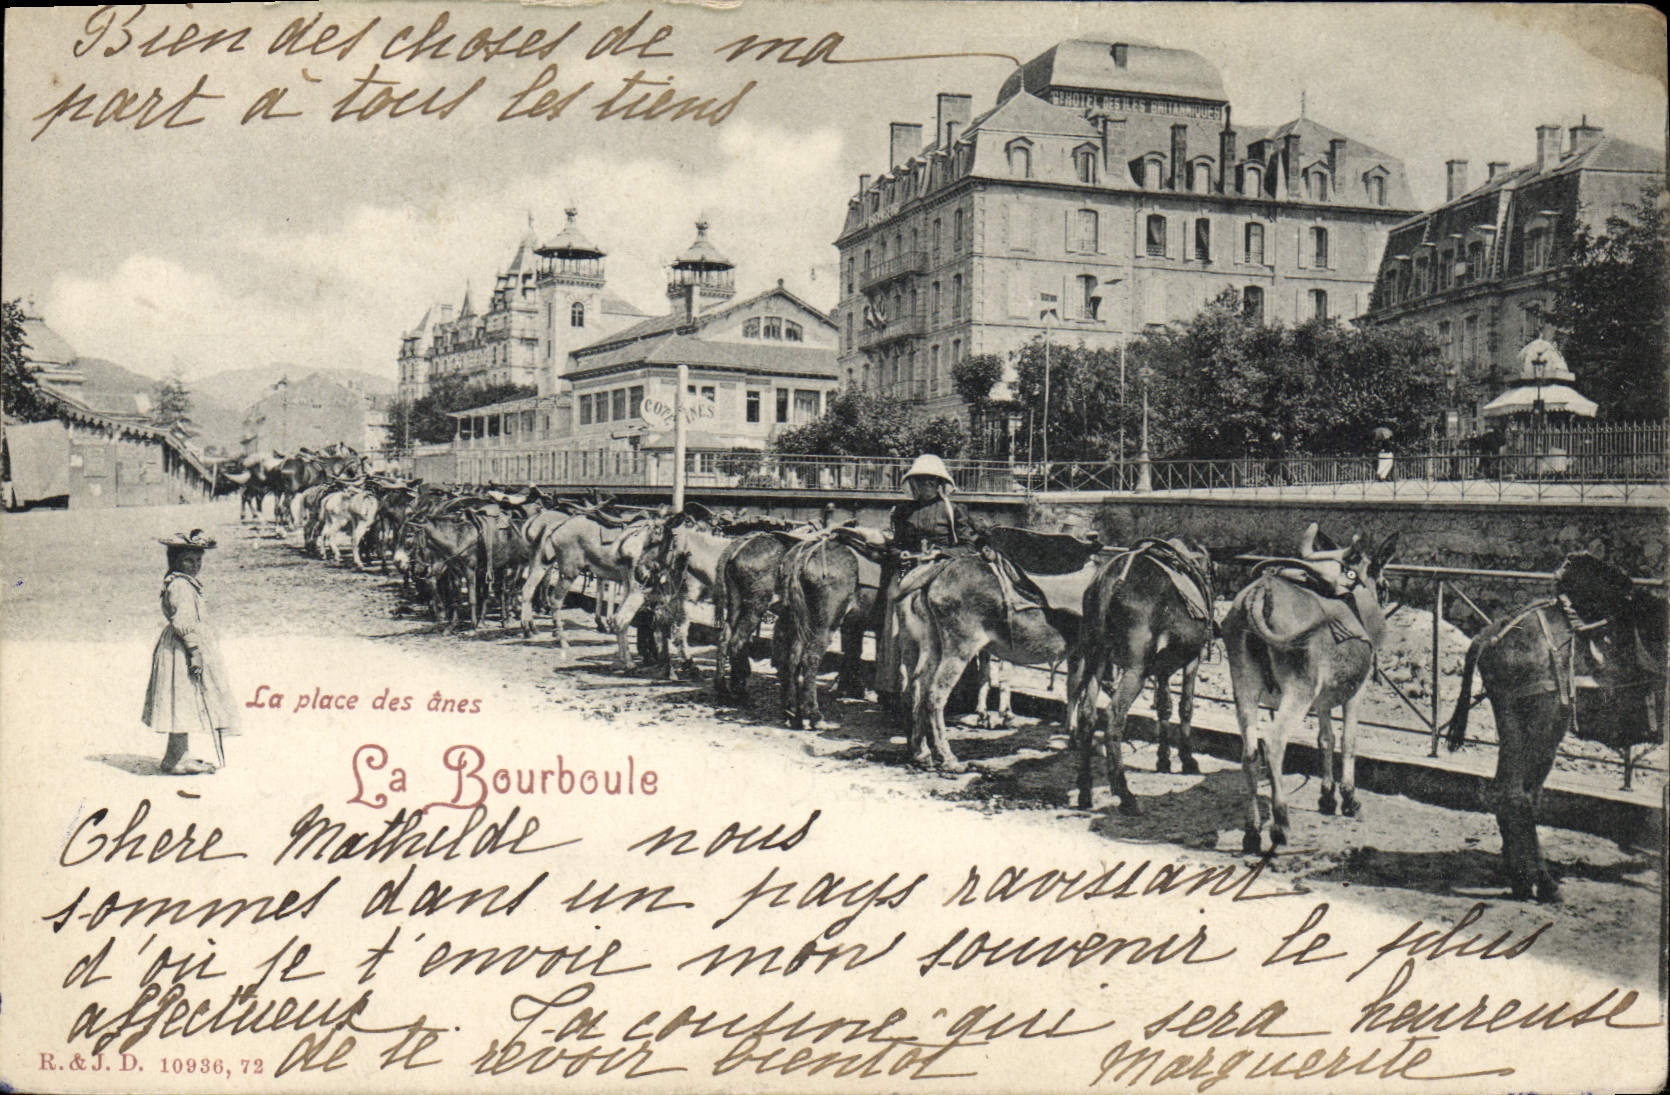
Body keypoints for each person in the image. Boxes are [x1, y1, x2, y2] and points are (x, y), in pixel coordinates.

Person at [875, 454, 982, 712]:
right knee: (894, 608)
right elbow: (895, 544)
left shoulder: (954, 511)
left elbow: (968, 546)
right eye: (919, 482)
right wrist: (900, 553)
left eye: (929, 482)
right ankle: (892, 688)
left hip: (943, 568)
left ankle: (960, 695)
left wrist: (940, 554)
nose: (924, 487)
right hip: (908, 568)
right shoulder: (903, 512)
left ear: (939, 484)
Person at [142, 530, 238, 774]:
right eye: (188, 561)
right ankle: (176, 759)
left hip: (184, 644)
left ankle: (177, 754)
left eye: (198, 562)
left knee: (184, 700)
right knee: (182, 699)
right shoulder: (181, 587)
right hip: (182, 648)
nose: (195, 566)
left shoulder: (184, 583)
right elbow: (183, 621)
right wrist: (194, 651)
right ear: (175, 561)